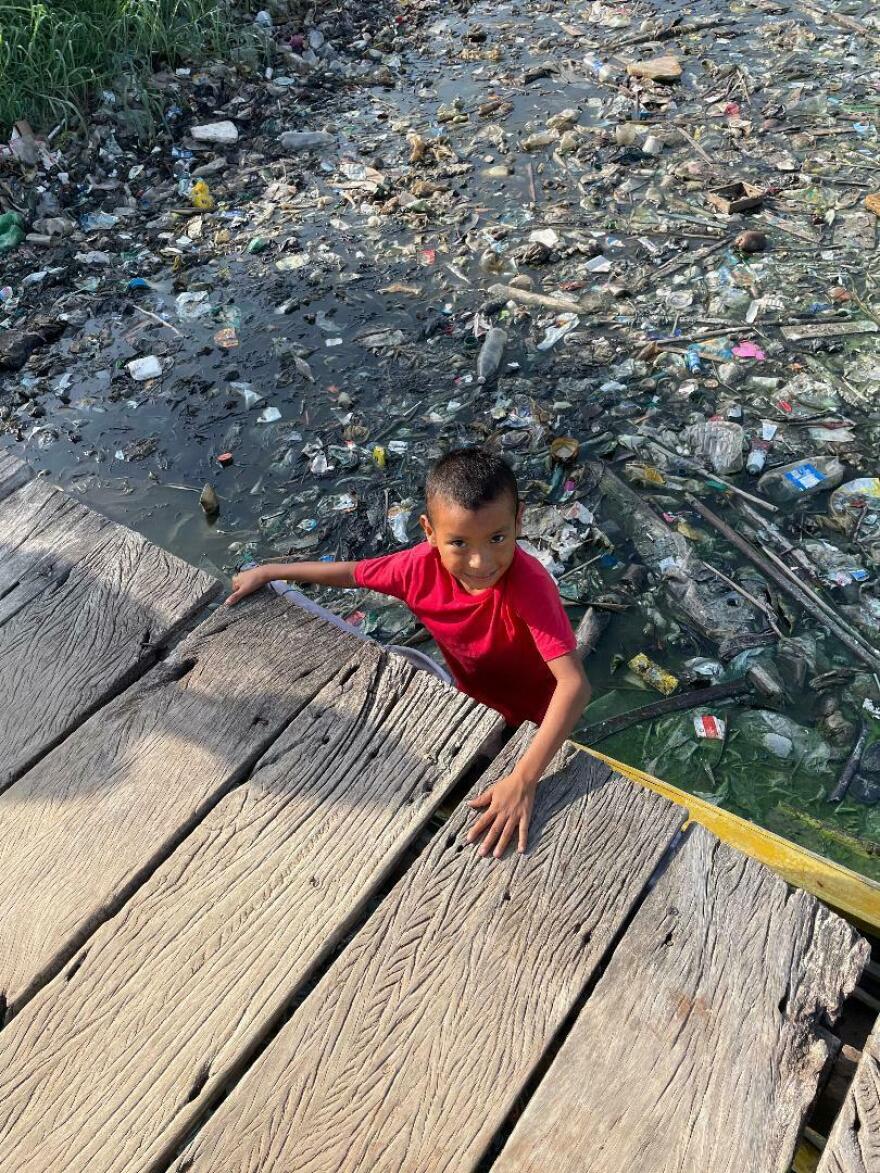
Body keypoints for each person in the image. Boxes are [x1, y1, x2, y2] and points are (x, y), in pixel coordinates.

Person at [226, 447, 592, 858]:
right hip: (473, 706)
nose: (481, 561)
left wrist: (523, 779)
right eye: (458, 542)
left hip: (538, 724)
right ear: (429, 531)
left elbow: (574, 686)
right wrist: (272, 571)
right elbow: (351, 574)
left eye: (497, 538)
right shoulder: (415, 569)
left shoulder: (529, 586)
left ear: (519, 520)